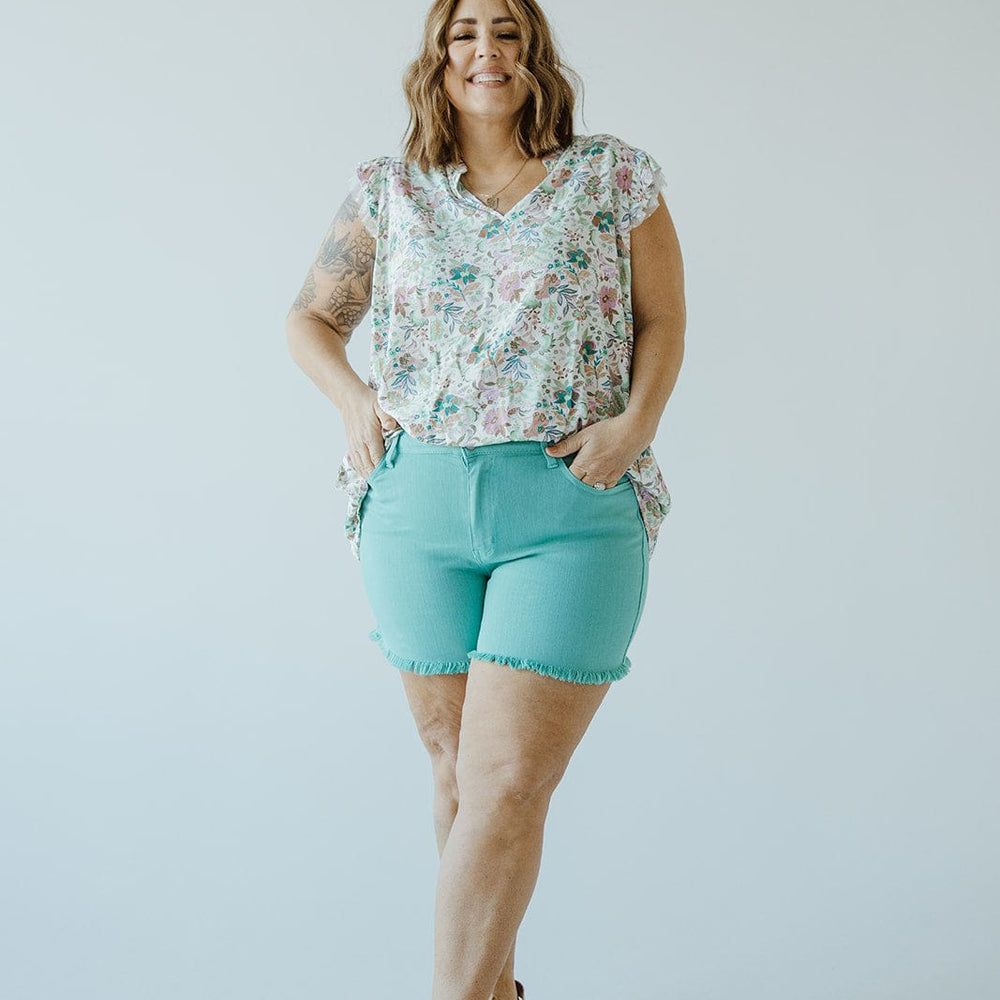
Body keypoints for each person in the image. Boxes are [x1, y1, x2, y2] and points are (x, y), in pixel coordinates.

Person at [285, 0, 685, 995]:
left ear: (533, 53)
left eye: (506, 30)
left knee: (508, 781)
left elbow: (662, 319)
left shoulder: (612, 176)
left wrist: (634, 426)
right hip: (415, 506)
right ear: (437, 54)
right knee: (459, 773)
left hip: (567, 508)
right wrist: (352, 403)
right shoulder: (389, 190)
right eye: (465, 31)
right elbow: (309, 317)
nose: (485, 49)